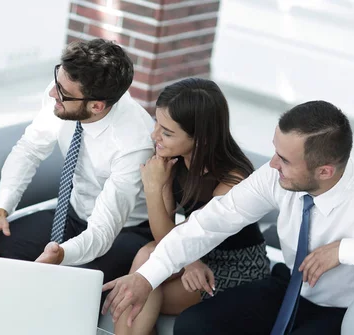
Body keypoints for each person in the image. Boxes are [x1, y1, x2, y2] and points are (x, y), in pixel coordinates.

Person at [102, 100, 354, 335]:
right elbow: (211, 222)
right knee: (194, 325)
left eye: (285, 160)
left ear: (325, 171)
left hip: (345, 309)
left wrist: (347, 250)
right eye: (275, 151)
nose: (273, 164)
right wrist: (144, 278)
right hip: (290, 285)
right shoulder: (274, 174)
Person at [0, 38, 155, 286]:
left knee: (67, 286)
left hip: (125, 231)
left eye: (62, 93)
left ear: (97, 106)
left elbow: (102, 232)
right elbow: (29, 150)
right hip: (73, 212)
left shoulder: (133, 145)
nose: (51, 93)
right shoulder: (65, 89)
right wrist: (0, 210)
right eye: (57, 79)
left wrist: (62, 255)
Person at [114, 78, 270, 335]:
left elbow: (187, 237)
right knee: (145, 262)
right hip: (189, 250)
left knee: (144, 291)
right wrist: (189, 261)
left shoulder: (232, 180)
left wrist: (153, 188)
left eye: (166, 132)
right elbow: (165, 237)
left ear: (202, 139)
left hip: (234, 263)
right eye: (157, 124)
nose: (155, 136)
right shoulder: (172, 158)